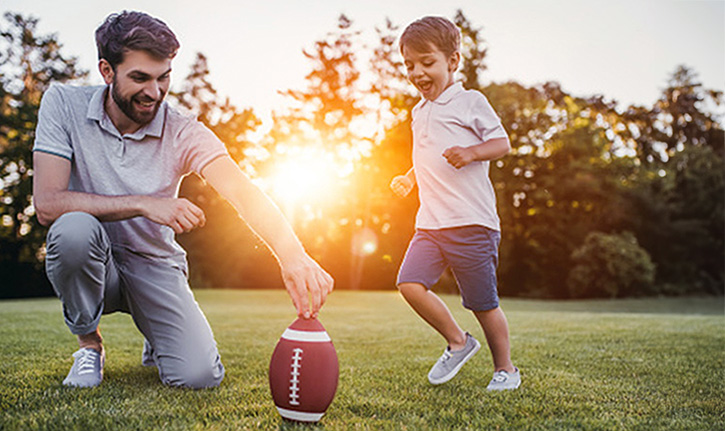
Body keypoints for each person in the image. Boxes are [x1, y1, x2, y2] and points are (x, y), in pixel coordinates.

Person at [32, 10, 334, 389]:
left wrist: (293, 255)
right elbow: (48, 204)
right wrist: (144, 202)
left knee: (198, 377)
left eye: (164, 78)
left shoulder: (183, 130)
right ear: (107, 72)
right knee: (73, 230)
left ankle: (156, 335)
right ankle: (90, 346)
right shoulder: (63, 104)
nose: (154, 92)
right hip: (94, 263)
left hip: (154, 264)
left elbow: (242, 190)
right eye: (140, 78)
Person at [390, 16, 520, 390]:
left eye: (426, 62)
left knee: (482, 303)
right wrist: (408, 178)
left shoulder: (469, 101)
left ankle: (506, 370)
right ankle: (459, 342)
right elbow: (426, 156)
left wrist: (472, 151)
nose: (417, 72)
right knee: (409, 284)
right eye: (409, 64)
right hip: (430, 222)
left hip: (471, 221)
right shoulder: (418, 111)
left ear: (453, 61)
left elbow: (502, 144)